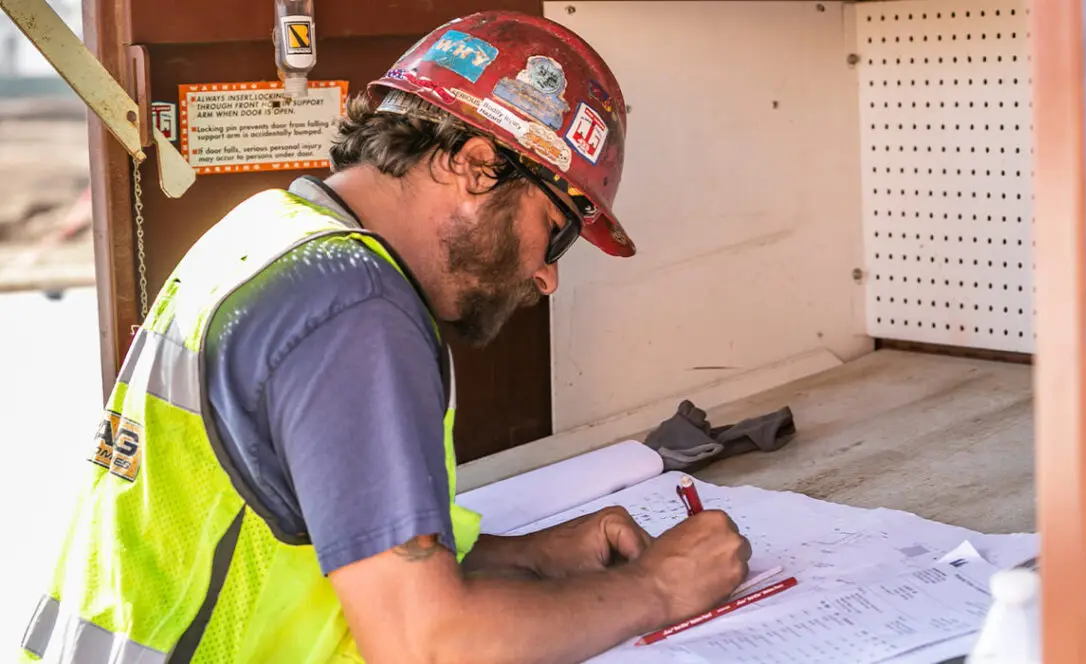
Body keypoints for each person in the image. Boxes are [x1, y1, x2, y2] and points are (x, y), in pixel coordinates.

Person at [18, 11, 751, 664]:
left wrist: (527, 558)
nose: (546, 277)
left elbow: (305, 538)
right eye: (554, 234)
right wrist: (660, 587)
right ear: (473, 165)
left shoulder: (270, 235)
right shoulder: (354, 310)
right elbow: (428, 646)